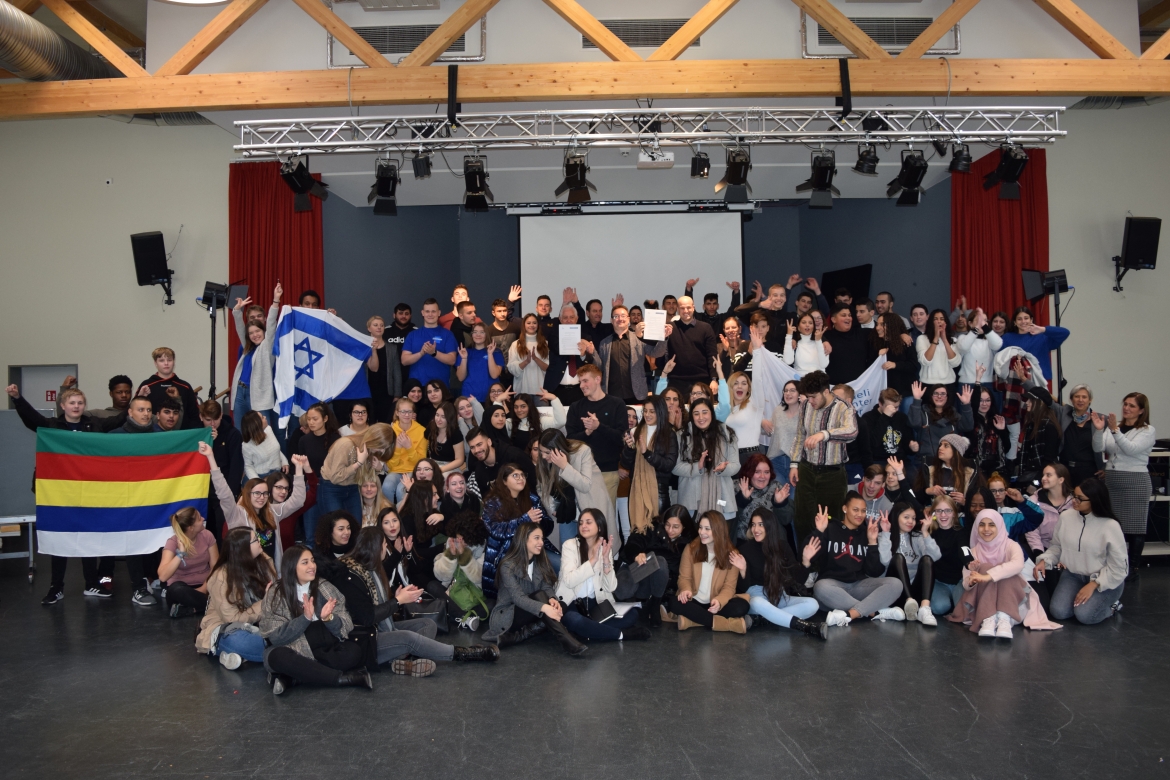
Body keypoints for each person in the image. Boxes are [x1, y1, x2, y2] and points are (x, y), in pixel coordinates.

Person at [7, 383, 126, 605]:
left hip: (88, 492)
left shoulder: (94, 424)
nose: (76, 406)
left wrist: (137, 399)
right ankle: (56, 587)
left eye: (80, 403)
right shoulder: (52, 426)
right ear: (63, 405)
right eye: (72, 403)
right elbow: (30, 418)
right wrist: (17, 398)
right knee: (59, 538)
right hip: (59, 493)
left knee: (88, 537)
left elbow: (119, 419)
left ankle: (91, 584)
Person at [325, 526, 498, 677]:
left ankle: (402, 661)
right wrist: (398, 601)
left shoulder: (367, 568)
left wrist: (396, 597)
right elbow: (368, 617)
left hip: (379, 629)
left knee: (428, 624)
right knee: (409, 638)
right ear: (375, 548)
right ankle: (463, 653)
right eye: (384, 545)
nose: (385, 549)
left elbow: (372, 604)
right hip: (366, 640)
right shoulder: (351, 576)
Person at [259, 546, 374, 694]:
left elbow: (345, 624)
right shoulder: (276, 593)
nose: (312, 566)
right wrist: (305, 619)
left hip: (323, 647)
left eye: (312, 561)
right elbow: (276, 637)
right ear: (291, 567)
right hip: (292, 648)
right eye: (305, 562)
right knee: (278, 657)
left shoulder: (324, 586)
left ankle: (295, 678)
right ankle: (343, 679)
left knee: (353, 652)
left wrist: (329, 618)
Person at [946, 510, 1060, 638]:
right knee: (984, 567)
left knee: (1007, 571)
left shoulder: (1011, 545)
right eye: (982, 524)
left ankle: (1004, 617)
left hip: (1013, 604)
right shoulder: (973, 551)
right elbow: (966, 583)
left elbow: (1017, 565)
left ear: (1000, 526)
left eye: (992, 525)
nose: (986, 529)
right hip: (982, 605)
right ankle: (988, 617)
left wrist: (987, 576)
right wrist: (972, 580)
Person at [481, 523, 586, 654]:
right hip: (506, 616)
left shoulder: (539, 562)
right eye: (536, 538)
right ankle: (566, 639)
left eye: (542, 538)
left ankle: (519, 636)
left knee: (562, 605)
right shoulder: (507, 566)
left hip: (530, 610)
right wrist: (545, 607)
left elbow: (546, 586)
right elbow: (518, 598)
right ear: (524, 539)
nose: (541, 542)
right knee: (540, 597)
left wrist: (552, 599)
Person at [201, 441, 308, 569]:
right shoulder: (236, 514)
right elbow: (224, 493)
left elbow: (297, 501)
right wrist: (210, 457)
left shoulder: (273, 511)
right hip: (247, 573)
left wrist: (299, 468)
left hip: (272, 571)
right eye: (257, 493)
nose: (261, 497)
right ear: (247, 494)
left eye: (265, 493)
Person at [1036, 478, 1127, 625]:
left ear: (1095, 500)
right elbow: (1057, 547)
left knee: (1085, 616)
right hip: (1072, 576)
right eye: (1074, 495)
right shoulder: (1066, 517)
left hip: (1103, 579)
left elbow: (1119, 567)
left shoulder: (1110, 526)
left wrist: (1094, 584)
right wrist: (1044, 560)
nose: (1074, 500)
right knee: (1058, 612)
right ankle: (1084, 602)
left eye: (1080, 498)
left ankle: (1112, 606)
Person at [805, 494, 904, 625]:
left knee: (896, 584)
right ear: (845, 509)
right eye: (855, 510)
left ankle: (850, 614)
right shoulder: (830, 528)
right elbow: (807, 556)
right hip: (833, 588)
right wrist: (819, 531)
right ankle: (875, 612)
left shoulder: (866, 532)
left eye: (863, 511)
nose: (860, 514)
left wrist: (872, 542)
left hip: (858, 586)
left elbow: (875, 572)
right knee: (820, 587)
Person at [556, 509, 650, 642]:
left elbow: (611, 587)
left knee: (632, 614)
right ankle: (620, 635)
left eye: (588, 522)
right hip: (573, 603)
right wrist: (592, 561)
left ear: (599, 527)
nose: (583, 526)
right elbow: (570, 581)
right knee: (573, 619)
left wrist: (606, 561)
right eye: (581, 523)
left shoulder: (604, 548)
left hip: (595, 604)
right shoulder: (570, 545)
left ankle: (589, 631)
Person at [787, 370, 858, 541]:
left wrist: (824, 434)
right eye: (807, 397)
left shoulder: (844, 407)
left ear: (826, 391)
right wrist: (794, 464)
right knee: (802, 519)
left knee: (832, 520)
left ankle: (829, 557)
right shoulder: (805, 405)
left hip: (832, 474)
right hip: (806, 470)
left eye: (813, 397)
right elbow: (800, 436)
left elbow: (852, 432)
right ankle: (806, 556)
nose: (810, 401)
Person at [731, 507, 824, 638]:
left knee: (813, 604)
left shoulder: (783, 546)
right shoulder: (745, 549)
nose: (756, 529)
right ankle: (804, 626)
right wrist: (743, 570)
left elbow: (798, 580)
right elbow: (744, 588)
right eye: (753, 524)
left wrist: (806, 561)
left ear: (770, 526)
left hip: (779, 596)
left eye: (761, 524)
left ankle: (764, 620)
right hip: (757, 599)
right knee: (757, 602)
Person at [1092, 393, 1155, 581]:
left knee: (1135, 527)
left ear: (1141, 410)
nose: (1126, 408)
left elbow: (1131, 449)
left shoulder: (1147, 430)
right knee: (1113, 525)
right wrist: (1099, 431)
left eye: (1132, 406)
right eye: (1125, 404)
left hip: (1135, 481)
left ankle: (1132, 568)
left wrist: (1114, 431)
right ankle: (1114, 564)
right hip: (1113, 480)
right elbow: (1098, 448)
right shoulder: (1115, 426)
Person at [196, 527, 277, 670]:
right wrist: (265, 602)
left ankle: (241, 655)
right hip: (228, 627)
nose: (260, 541)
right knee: (241, 641)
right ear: (243, 549)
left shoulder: (263, 560)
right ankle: (280, 652)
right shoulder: (221, 577)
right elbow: (233, 619)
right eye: (255, 540)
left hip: (262, 622)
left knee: (291, 630)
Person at [665, 511, 752, 633]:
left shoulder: (732, 554)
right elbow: (684, 578)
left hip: (714, 603)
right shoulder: (691, 549)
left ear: (718, 530)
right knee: (674, 603)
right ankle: (727, 625)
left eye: (707, 529)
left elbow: (729, 587)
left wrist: (719, 602)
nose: (701, 532)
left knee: (742, 606)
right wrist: (686, 590)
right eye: (700, 527)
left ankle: (694, 621)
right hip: (694, 601)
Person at [536, 429, 614, 548]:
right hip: (565, 513)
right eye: (541, 451)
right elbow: (541, 488)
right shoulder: (544, 461)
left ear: (558, 448)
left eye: (547, 452)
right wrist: (552, 508)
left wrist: (564, 466)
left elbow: (585, 485)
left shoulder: (582, 451)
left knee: (592, 551)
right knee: (567, 549)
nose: (543, 456)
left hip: (589, 507)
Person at [482, 463, 549, 598]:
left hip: (533, 548)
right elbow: (495, 530)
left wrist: (539, 523)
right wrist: (524, 520)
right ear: (504, 481)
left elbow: (548, 525)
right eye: (515, 475)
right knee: (519, 592)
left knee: (557, 565)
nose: (521, 478)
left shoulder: (532, 498)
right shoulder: (493, 502)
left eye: (522, 475)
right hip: (506, 552)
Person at [565, 364, 629, 502]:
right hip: (581, 472)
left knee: (606, 514)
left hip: (608, 471)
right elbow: (569, 441)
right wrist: (587, 432)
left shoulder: (617, 404)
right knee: (585, 514)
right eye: (580, 382)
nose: (581, 386)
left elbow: (621, 439)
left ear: (598, 379)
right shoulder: (575, 407)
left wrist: (598, 426)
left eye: (585, 381)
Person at [582, 305, 669, 404]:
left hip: (636, 394)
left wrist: (664, 338)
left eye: (623, 316)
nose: (620, 319)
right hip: (611, 395)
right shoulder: (604, 343)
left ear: (628, 319)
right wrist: (593, 352)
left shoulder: (639, 338)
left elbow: (657, 353)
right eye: (616, 316)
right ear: (611, 320)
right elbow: (600, 368)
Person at [674, 398, 739, 522]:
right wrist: (697, 467)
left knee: (721, 533)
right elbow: (675, 467)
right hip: (692, 502)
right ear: (691, 416)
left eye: (705, 412)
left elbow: (735, 465)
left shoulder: (726, 434)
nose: (701, 417)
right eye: (696, 413)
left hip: (722, 499)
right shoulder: (682, 436)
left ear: (711, 414)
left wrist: (724, 468)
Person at [619, 394, 678, 529]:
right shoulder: (634, 432)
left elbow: (669, 465)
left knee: (658, 531)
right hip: (636, 489)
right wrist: (630, 448)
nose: (647, 415)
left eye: (652, 411)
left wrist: (647, 453)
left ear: (660, 412)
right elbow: (626, 464)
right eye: (645, 411)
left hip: (659, 492)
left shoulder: (669, 434)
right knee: (638, 532)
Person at [230, 284, 282, 435]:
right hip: (241, 392)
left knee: (262, 433)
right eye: (251, 333)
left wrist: (276, 300)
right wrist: (237, 311)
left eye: (258, 331)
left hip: (258, 394)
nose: (255, 335)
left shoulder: (267, 346)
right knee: (241, 432)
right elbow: (240, 328)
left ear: (263, 331)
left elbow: (271, 324)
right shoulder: (247, 346)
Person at [879, 502, 942, 626]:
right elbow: (885, 561)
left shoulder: (917, 536)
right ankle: (909, 601)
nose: (911, 521)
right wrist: (886, 533)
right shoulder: (884, 536)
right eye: (906, 517)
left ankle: (924, 608)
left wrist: (925, 532)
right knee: (898, 558)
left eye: (913, 518)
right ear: (896, 517)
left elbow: (935, 556)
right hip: (896, 592)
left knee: (927, 559)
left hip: (915, 592)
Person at [431, 509, 489, 628]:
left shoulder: (482, 546)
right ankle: (464, 617)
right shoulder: (452, 541)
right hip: (452, 590)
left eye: (464, 538)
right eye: (458, 537)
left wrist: (465, 557)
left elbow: (479, 578)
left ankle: (456, 616)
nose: (460, 541)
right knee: (432, 586)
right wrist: (450, 556)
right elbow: (441, 576)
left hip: (473, 593)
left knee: (492, 604)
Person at [157, 507, 219, 618]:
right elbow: (162, 576)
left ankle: (192, 609)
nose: (203, 519)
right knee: (176, 590)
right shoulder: (173, 542)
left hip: (206, 584)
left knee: (225, 582)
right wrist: (180, 554)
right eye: (199, 519)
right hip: (182, 589)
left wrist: (204, 588)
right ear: (191, 527)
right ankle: (215, 607)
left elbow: (216, 567)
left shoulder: (207, 535)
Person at [998, 306, 1070, 384]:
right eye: (1019, 319)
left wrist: (1042, 329)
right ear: (1015, 322)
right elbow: (1000, 360)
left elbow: (1065, 333)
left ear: (1031, 320)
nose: (1023, 321)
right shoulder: (1007, 338)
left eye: (1026, 318)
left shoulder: (1043, 336)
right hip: (1014, 380)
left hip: (1040, 379)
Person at [908, 382, 974, 463]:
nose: (939, 396)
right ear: (931, 396)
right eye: (936, 393)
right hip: (927, 460)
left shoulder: (953, 413)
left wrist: (966, 404)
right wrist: (916, 400)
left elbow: (968, 427)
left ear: (947, 397)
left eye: (943, 394)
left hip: (949, 461)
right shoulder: (923, 412)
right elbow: (914, 423)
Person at [664, 296, 718, 392]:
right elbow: (662, 353)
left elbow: (712, 355)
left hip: (702, 380)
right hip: (676, 381)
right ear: (677, 309)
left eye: (688, 307)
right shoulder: (669, 329)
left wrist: (714, 379)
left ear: (693, 308)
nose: (686, 311)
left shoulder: (706, 328)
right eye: (682, 308)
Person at [732, 454, 791, 543]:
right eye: (757, 472)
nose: (762, 476)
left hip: (772, 542)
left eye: (766, 472)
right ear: (749, 472)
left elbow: (786, 521)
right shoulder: (736, 486)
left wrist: (780, 504)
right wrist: (742, 499)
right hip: (744, 542)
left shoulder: (776, 487)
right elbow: (728, 520)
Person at [137, 347, 200, 429]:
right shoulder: (146, 385)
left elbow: (195, 416)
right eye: (161, 360)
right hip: (152, 434)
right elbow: (134, 413)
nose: (166, 363)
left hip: (181, 434)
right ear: (155, 363)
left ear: (174, 362)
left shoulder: (185, 386)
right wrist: (140, 397)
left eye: (169, 360)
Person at [926, 496, 968, 616]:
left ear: (954, 513)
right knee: (939, 607)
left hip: (959, 581)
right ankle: (949, 602)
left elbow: (964, 549)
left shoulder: (961, 532)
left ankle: (955, 602)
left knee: (965, 610)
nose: (943, 515)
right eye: (939, 511)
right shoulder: (930, 533)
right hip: (939, 581)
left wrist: (969, 561)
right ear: (934, 513)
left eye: (948, 510)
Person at [464, 426, 534, 499]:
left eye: (479, 444)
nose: (476, 450)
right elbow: (487, 499)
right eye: (472, 447)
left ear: (489, 442)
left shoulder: (514, 456)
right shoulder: (479, 471)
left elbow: (532, 482)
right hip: (502, 505)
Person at [381, 398, 428, 503]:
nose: (406, 415)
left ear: (413, 413)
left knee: (401, 490)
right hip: (395, 470)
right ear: (397, 413)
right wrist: (397, 448)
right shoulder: (391, 430)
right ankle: (389, 512)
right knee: (387, 486)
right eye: (403, 411)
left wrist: (409, 447)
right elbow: (391, 465)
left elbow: (421, 462)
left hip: (413, 470)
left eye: (409, 412)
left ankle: (402, 513)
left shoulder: (422, 431)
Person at [402, 299, 459, 386]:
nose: (430, 314)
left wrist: (434, 353)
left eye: (433, 311)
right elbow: (404, 360)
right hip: (417, 388)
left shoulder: (447, 334)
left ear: (439, 313)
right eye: (427, 311)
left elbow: (452, 360)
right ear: (422, 313)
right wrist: (421, 353)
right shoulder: (412, 335)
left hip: (440, 387)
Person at [1056, 384, 1104, 486]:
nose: (1080, 400)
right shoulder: (1064, 414)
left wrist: (1106, 468)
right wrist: (1025, 381)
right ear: (1071, 399)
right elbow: (1046, 399)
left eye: (1084, 397)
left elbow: (1112, 447)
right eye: (1077, 396)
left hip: (1089, 472)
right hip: (1065, 470)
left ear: (1090, 400)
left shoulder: (1101, 419)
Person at [1016, 387, 1062, 485]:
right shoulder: (1031, 425)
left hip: (1041, 478)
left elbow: (1049, 459)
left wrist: (1036, 482)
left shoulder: (1049, 427)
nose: (1027, 402)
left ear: (1040, 403)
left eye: (1030, 400)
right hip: (1028, 474)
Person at [859, 389, 916, 468]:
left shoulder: (902, 418)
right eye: (889, 407)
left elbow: (907, 447)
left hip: (899, 461)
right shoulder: (868, 418)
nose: (893, 410)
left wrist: (912, 448)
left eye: (896, 407)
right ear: (880, 403)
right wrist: (885, 417)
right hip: (878, 461)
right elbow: (873, 444)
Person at [365, 315, 404, 425]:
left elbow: (397, 373)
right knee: (369, 423)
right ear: (369, 328)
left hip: (387, 393)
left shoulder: (392, 348)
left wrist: (397, 395)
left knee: (385, 424)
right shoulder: (364, 347)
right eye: (375, 325)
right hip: (368, 392)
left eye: (381, 325)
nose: (379, 327)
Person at [921, 433, 977, 506]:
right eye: (940, 445)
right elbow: (917, 496)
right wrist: (928, 491)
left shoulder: (970, 472)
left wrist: (964, 502)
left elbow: (978, 503)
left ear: (957, 451)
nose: (940, 448)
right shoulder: (930, 468)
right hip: (935, 512)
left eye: (946, 446)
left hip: (960, 512)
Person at [455, 322, 505, 403]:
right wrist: (464, 358)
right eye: (475, 332)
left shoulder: (496, 352)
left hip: (490, 398)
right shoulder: (465, 352)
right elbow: (460, 377)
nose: (478, 335)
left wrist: (490, 354)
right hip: (469, 397)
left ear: (487, 335)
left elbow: (494, 375)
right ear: (472, 335)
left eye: (482, 332)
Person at [725, 368, 766, 465]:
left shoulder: (754, 404)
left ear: (749, 388)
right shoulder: (725, 409)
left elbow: (758, 380)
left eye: (744, 383)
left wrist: (756, 356)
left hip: (750, 456)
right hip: (730, 457)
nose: (740, 386)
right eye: (736, 383)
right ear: (730, 387)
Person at [822, 304, 871, 385]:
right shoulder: (825, 336)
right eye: (844, 315)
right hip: (834, 387)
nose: (848, 318)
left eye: (849, 315)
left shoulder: (863, 334)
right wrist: (823, 340)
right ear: (833, 319)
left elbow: (884, 332)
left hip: (861, 388)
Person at [968, 386, 1009, 479]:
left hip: (997, 469)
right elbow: (968, 448)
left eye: (987, 400)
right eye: (980, 400)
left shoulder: (998, 419)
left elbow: (1007, 447)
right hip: (976, 469)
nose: (984, 404)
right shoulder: (970, 421)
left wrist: (1002, 431)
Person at [916, 308, 961, 387]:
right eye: (935, 319)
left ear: (946, 322)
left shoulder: (953, 340)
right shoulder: (922, 338)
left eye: (942, 319)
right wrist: (936, 337)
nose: (939, 321)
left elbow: (955, 363)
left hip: (949, 383)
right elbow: (926, 361)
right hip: (928, 383)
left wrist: (944, 339)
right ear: (931, 322)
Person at [56, 373, 133, 420]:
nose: (124, 395)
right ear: (111, 393)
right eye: (119, 392)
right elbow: (65, 415)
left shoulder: (137, 414)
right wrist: (64, 388)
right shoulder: (98, 414)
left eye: (127, 392)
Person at [507, 313, 551, 395]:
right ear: (524, 325)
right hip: (522, 391)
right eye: (528, 323)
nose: (531, 325)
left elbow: (549, 369)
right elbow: (511, 368)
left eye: (534, 323)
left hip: (542, 392)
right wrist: (526, 361)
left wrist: (535, 359)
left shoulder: (545, 344)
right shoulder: (516, 344)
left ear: (538, 325)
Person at [241, 410, 288, 480]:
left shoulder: (269, 429)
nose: (265, 417)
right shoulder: (246, 445)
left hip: (276, 473)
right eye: (262, 417)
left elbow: (276, 449)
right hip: (260, 476)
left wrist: (284, 461)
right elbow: (248, 466)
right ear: (256, 424)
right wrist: (259, 482)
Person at [426, 401, 466, 473]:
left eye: (443, 417)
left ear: (450, 418)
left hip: (450, 466)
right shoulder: (431, 428)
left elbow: (460, 460)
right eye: (437, 415)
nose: (438, 419)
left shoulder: (455, 433)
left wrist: (440, 470)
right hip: (433, 463)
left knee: (441, 478)